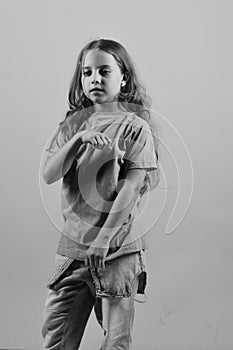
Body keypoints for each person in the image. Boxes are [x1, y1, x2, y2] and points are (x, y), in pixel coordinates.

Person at [41, 38, 160, 350]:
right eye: (87, 72)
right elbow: (49, 174)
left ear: (123, 77)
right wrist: (78, 138)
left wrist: (103, 240)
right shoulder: (71, 126)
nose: (94, 79)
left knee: (116, 342)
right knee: (57, 340)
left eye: (104, 71)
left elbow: (131, 187)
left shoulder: (135, 126)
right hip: (73, 249)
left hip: (117, 249)